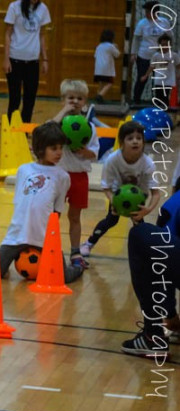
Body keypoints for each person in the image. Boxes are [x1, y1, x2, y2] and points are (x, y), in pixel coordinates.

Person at [0, 121, 84, 284]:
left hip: (44, 237)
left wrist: (47, 233)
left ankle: (77, 267)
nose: (59, 152)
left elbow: (57, 211)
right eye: (54, 148)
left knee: (62, 278)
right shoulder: (23, 170)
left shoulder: (62, 176)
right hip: (17, 234)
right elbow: (19, 201)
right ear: (40, 149)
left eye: (61, 148)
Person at [81, 121, 159, 259]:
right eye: (130, 138)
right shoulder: (112, 160)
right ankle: (88, 243)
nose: (135, 142)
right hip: (117, 194)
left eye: (139, 138)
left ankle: (144, 252)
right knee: (111, 220)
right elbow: (106, 186)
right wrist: (115, 202)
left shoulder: (148, 163)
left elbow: (155, 193)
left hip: (139, 196)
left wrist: (147, 209)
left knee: (139, 225)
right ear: (122, 142)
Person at [122, 186, 180, 357]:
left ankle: (152, 336)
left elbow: (161, 261)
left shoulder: (174, 203)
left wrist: (169, 313)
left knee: (139, 235)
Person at [51, 79, 98, 269]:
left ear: (85, 102)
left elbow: (95, 153)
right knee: (53, 216)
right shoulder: (58, 123)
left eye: (79, 98)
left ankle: (75, 252)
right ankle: (48, 249)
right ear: (63, 100)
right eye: (70, 98)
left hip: (79, 177)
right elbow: (46, 131)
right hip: (58, 175)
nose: (75, 102)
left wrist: (84, 151)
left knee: (75, 217)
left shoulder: (89, 127)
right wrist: (63, 113)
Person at [3, 0, 50, 124]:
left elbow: (42, 35)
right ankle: (11, 131)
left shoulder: (43, 8)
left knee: (30, 100)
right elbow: (7, 33)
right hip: (15, 59)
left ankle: (24, 133)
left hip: (33, 62)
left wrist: (45, 58)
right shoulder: (14, 7)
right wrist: (6, 59)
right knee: (15, 99)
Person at [130, 1, 171, 106]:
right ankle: (136, 100)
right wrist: (133, 53)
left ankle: (159, 101)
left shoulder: (164, 22)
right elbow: (136, 39)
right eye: (146, 11)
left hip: (159, 56)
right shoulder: (142, 23)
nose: (146, 14)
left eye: (148, 11)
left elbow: (169, 38)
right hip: (144, 56)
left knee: (159, 79)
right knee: (142, 77)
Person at [142, 33, 180, 110]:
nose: (164, 46)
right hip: (159, 79)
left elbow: (178, 65)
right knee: (158, 97)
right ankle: (158, 111)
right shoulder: (156, 55)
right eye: (162, 44)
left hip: (169, 80)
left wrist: (178, 75)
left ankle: (166, 112)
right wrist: (146, 76)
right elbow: (151, 67)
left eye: (166, 44)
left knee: (165, 97)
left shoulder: (174, 55)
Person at [93, 29, 120, 103]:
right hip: (107, 69)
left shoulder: (99, 46)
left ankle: (99, 96)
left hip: (98, 69)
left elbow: (95, 56)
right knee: (109, 83)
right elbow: (117, 54)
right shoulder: (111, 46)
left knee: (101, 83)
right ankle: (100, 95)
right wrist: (116, 47)